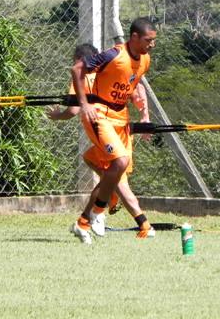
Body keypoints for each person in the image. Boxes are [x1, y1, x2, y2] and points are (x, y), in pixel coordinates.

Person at [47, 43, 153, 235]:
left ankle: (105, 215)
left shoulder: (82, 76)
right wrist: (145, 116)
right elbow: (138, 88)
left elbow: (73, 110)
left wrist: (57, 116)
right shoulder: (113, 69)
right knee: (98, 164)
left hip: (103, 128)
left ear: (81, 61)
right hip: (122, 127)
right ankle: (109, 210)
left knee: (115, 177)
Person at [69, 18, 157, 245]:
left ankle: (83, 221)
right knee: (120, 162)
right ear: (134, 37)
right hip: (99, 114)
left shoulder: (145, 60)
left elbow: (134, 85)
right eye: (148, 40)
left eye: (154, 40)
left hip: (121, 118)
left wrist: (144, 114)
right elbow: (77, 68)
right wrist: (84, 104)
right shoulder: (113, 55)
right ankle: (100, 211)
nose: (152, 45)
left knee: (116, 170)